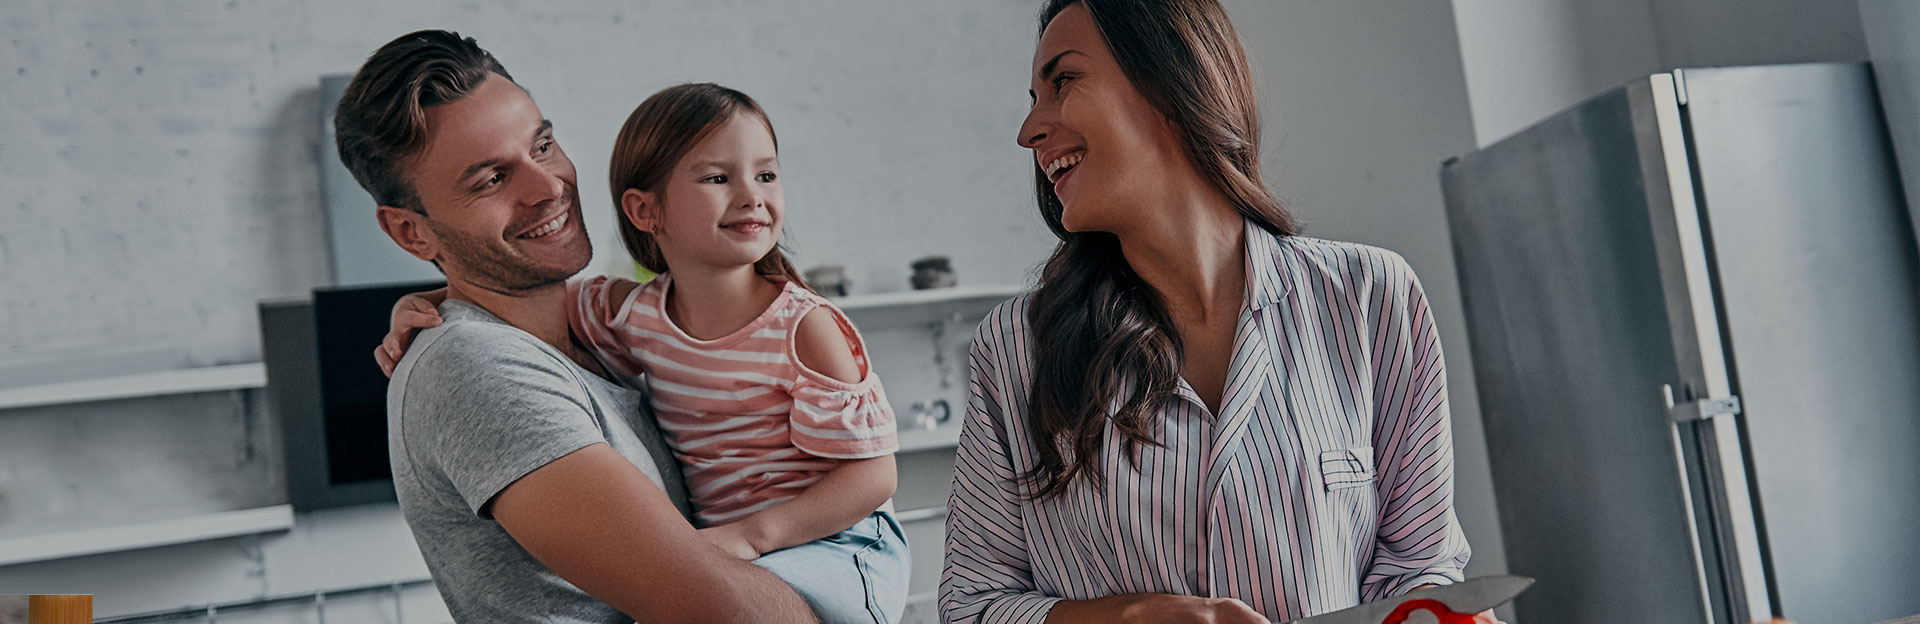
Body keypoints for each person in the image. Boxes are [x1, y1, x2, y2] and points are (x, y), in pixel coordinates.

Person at [938, 2, 1490, 622]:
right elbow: (971, 607)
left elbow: (1419, 570)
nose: (1029, 130)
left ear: (1170, 81)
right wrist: (1128, 619)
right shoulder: (1017, 347)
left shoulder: (1369, 297)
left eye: (1062, 82)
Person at [375, 83, 909, 624]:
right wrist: (423, 300)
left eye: (543, 147)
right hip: (748, 554)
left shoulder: (803, 326)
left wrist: (752, 537)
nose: (751, 196)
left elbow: (873, 475)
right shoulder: (625, 317)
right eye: (492, 178)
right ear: (645, 211)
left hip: (832, 546)